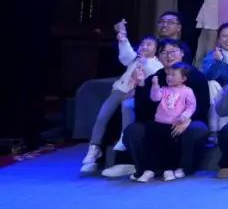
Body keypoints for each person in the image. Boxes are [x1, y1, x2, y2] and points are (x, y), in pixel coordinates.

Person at [105, 39, 210, 180]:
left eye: (173, 51)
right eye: (164, 52)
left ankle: (185, 167)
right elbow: (143, 111)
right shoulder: (154, 78)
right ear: (158, 57)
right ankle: (145, 168)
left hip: (187, 120)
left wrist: (187, 119)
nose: (169, 55)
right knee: (133, 130)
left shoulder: (196, 77)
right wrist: (141, 85)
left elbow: (202, 106)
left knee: (197, 129)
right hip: (160, 122)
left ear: (182, 53)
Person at [81, 22, 164, 174]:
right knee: (102, 116)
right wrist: (123, 37)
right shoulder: (135, 58)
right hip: (119, 90)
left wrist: (145, 64)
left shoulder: (157, 64)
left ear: (156, 49)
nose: (144, 47)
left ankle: (124, 139)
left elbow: (153, 76)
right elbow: (126, 55)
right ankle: (94, 147)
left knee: (127, 110)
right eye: (143, 44)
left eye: (149, 45)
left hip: (134, 93)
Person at [133, 63, 198, 182]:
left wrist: (184, 116)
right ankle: (149, 169)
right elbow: (155, 97)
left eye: (173, 75)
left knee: (171, 147)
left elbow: (191, 106)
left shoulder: (188, 91)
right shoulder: (164, 89)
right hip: (158, 122)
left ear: (183, 78)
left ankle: (169, 169)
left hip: (173, 124)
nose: (169, 77)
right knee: (152, 145)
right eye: (168, 74)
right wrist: (155, 85)